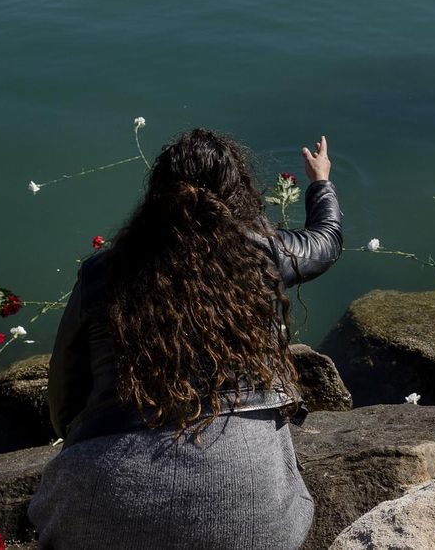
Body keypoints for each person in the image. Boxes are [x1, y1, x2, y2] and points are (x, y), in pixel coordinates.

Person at [29, 129, 343, 549]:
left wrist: (83, 439)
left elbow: (65, 395)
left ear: (156, 197)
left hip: (98, 508)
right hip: (253, 521)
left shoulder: (102, 273)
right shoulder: (261, 254)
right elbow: (326, 240)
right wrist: (320, 181)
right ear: (238, 195)